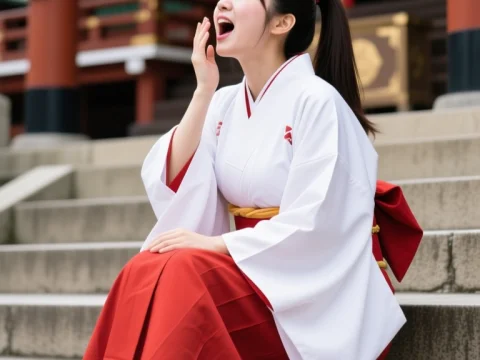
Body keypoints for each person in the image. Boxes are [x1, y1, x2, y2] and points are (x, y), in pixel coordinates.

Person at [84, 0, 423, 359]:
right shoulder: (224, 102)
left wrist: (216, 245)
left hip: (315, 290)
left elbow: (318, 221)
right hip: (257, 265)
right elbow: (177, 179)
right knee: (145, 266)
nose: (222, 4)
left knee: (183, 271)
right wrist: (203, 91)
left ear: (283, 23)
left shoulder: (319, 101)